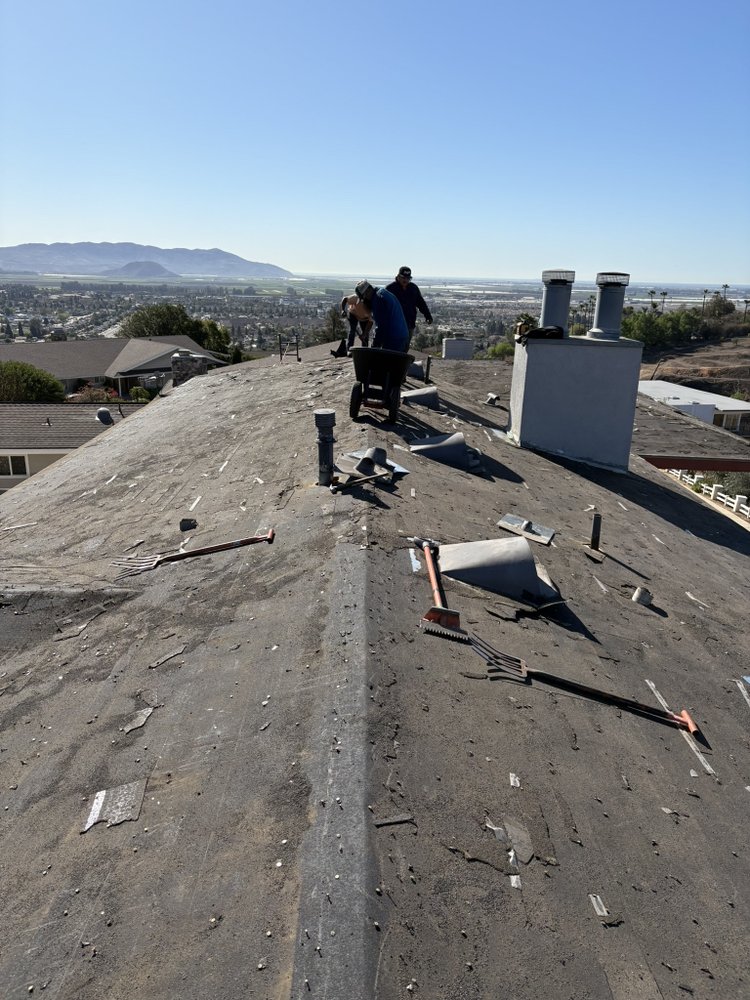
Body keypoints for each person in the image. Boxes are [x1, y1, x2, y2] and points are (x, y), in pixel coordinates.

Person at [353, 280, 410, 352]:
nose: (364, 301)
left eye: (363, 298)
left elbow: (381, 327)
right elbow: (376, 321)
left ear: (366, 293)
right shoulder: (381, 292)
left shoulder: (378, 300)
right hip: (403, 337)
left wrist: (374, 347)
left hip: (395, 340)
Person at [385, 266, 432, 346]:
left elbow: (421, 303)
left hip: (409, 325)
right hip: (394, 325)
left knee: (405, 348)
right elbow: (383, 307)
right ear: (398, 277)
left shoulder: (413, 288)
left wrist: (428, 316)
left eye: (408, 278)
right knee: (393, 348)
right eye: (403, 277)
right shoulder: (390, 289)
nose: (405, 280)